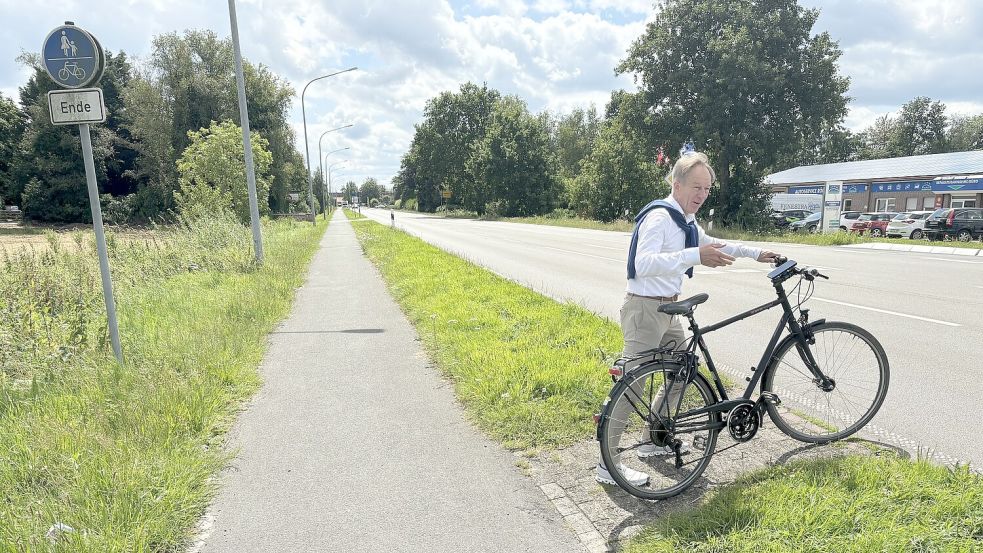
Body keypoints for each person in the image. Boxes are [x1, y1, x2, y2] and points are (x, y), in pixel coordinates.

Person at [596, 148, 780, 487]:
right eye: (696, 187)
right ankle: (607, 464)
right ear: (677, 184)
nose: (702, 194)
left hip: (668, 309)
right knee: (632, 384)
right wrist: (696, 255)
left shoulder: (686, 221)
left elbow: (713, 244)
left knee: (683, 373)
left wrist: (756, 253)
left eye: (708, 189)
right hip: (644, 309)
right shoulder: (660, 217)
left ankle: (655, 438)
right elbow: (644, 262)